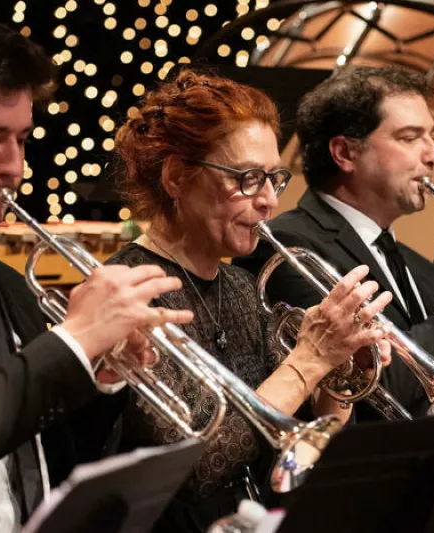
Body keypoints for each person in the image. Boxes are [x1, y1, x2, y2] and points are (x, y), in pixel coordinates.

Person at [98, 69, 394, 533]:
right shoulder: (127, 292)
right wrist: (310, 360)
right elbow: (200, 467)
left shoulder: (239, 285)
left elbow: (297, 449)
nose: (270, 201)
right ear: (177, 177)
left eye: (274, 178)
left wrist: (340, 373)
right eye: (248, 178)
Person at [0, 9, 192, 533]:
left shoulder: (6, 285)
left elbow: (45, 460)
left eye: (21, 139)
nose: (13, 167)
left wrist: (99, 373)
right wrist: (73, 341)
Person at [233, 65, 434, 421]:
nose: (433, 155)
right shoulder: (286, 246)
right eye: (409, 138)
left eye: (431, 136)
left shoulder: (418, 267)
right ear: (344, 153)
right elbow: (374, 387)